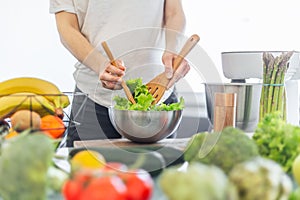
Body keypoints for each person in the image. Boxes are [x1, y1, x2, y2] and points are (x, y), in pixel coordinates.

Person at [50, 0, 191, 147]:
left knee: (158, 169)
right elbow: (67, 27)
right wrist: (99, 64)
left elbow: (174, 12)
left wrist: (173, 50)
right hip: (93, 99)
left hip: (160, 100)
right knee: (87, 168)